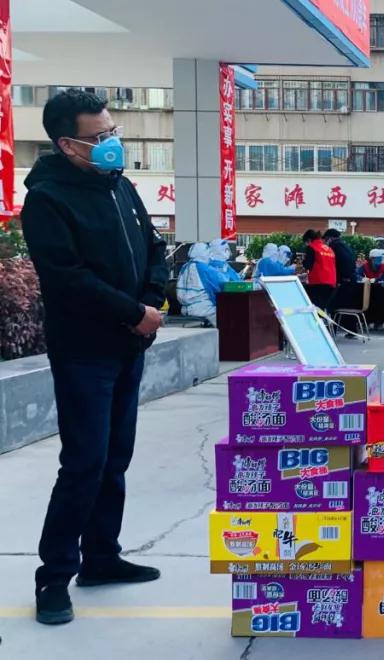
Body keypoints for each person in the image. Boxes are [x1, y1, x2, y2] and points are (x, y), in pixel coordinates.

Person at [21, 89, 168, 625]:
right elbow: (67, 278)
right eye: (99, 136)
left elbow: (154, 249)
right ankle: (53, 577)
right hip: (85, 352)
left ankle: (101, 557)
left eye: (113, 131)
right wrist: (132, 312)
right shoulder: (47, 200)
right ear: (68, 144)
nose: (111, 142)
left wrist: (151, 301)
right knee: (84, 463)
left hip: (130, 345)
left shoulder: (119, 186)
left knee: (114, 459)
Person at [177, 242, 224, 324]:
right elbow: (220, 286)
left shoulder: (184, 267)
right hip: (205, 309)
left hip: (185, 309)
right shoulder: (206, 269)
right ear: (204, 253)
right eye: (208, 253)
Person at [301, 229, 337, 309]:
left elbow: (308, 265)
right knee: (322, 307)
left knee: (314, 307)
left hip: (318, 282)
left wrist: (303, 262)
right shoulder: (329, 249)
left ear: (309, 240)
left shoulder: (312, 247)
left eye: (306, 242)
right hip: (331, 282)